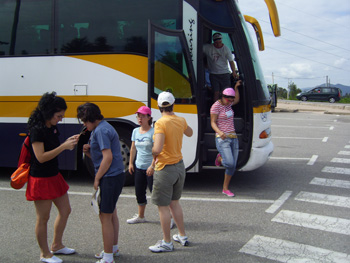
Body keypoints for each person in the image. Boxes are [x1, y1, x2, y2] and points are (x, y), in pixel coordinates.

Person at [26, 92, 79, 263]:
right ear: (49, 113)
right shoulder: (37, 130)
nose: (61, 119)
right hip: (40, 178)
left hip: (54, 175)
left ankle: (56, 245)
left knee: (65, 210)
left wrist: (68, 142)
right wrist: (63, 146)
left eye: (62, 116)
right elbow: (40, 157)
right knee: (43, 218)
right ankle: (44, 254)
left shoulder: (52, 127)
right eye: (59, 116)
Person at [77, 103, 125, 263]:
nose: (83, 124)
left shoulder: (101, 131)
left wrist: (97, 178)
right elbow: (104, 157)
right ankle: (113, 249)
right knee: (111, 214)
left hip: (109, 178)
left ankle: (108, 256)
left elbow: (108, 157)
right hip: (116, 175)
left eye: (84, 121)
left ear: (90, 118)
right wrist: (90, 153)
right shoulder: (104, 127)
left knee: (105, 217)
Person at [149, 91, 193, 253]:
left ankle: (167, 242)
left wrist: (150, 147)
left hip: (165, 169)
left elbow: (157, 149)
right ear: (174, 104)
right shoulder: (180, 120)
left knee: (163, 206)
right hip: (179, 167)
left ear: (159, 106)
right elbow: (190, 133)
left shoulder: (160, 123)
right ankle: (182, 235)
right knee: (175, 203)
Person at [210, 83, 242, 197]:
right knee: (229, 163)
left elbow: (237, 100)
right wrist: (220, 132)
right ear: (222, 97)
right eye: (228, 99)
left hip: (234, 138)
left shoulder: (229, 104)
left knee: (232, 166)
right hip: (222, 138)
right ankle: (219, 158)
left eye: (231, 100)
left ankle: (225, 188)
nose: (230, 102)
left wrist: (236, 88)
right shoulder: (216, 106)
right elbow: (213, 122)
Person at [127, 106, 155, 224]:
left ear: (149, 117)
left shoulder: (154, 132)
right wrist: (130, 163)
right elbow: (133, 148)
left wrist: (152, 166)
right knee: (139, 192)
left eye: (143, 116)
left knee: (156, 194)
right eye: (139, 116)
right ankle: (141, 216)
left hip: (151, 168)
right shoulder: (135, 131)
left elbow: (157, 151)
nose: (140, 118)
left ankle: (169, 217)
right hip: (139, 166)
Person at [203, 32, 238, 102]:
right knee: (216, 92)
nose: (218, 44)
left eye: (219, 42)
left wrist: (234, 72)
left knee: (225, 92)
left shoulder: (226, 49)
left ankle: (225, 108)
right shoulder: (208, 48)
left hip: (224, 73)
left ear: (221, 41)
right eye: (216, 43)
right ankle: (215, 107)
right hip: (213, 74)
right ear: (214, 42)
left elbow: (231, 61)